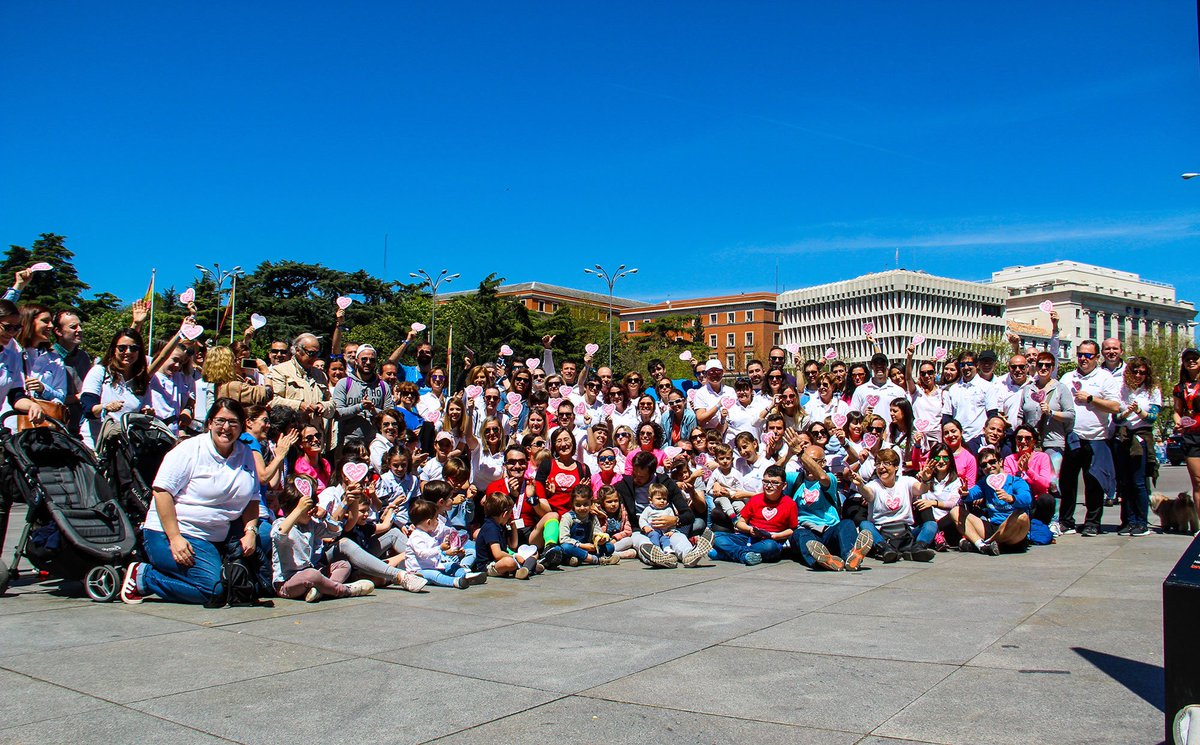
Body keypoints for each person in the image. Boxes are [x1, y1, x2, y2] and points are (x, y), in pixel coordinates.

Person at [121, 398, 261, 605]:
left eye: (233, 422)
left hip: (214, 537)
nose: (226, 428)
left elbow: (252, 499)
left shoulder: (245, 454)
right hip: (171, 533)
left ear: (242, 426)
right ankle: (144, 576)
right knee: (212, 591)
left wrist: (251, 531)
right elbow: (161, 492)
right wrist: (175, 538)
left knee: (241, 584)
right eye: (220, 421)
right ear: (210, 423)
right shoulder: (189, 450)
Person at [270, 476, 376, 601]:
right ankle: (344, 590)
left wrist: (325, 515)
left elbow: (335, 531)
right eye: (306, 509)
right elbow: (279, 534)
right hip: (287, 583)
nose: (309, 512)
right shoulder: (281, 523)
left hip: (311, 576)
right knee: (312, 574)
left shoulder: (310, 525)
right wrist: (299, 510)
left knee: (343, 565)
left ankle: (323, 590)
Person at [1059, 340, 1121, 536]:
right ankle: (1066, 521)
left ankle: (1093, 522)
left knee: (1093, 482)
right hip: (1072, 436)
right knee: (1067, 482)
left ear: (1096, 358)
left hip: (1096, 437)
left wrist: (1091, 399)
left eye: (1088, 356)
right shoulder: (1068, 377)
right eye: (1080, 355)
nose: (1083, 359)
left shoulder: (1105, 378)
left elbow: (1115, 407)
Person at [788, 445, 873, 572]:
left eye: (814, 461)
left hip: (829, 530)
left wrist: (801, 454)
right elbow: (772, 473)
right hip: (807, 531)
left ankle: (851, 557)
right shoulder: (794, 478)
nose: (809, 465)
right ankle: (822, 561)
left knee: (847, 524)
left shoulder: (830, 478)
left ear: (823, 463)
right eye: (807, 461)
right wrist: (788, 454)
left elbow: (822, 478)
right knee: (799, 534)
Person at [616, 451, 708, 568]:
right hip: (640, 529)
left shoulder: (666, 484)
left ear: (651, 473)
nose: (636, 479)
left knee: (679, 538)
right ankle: (657, 558)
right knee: (642, 542)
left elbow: (688, 515)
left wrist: (675, 520)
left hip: (667, 529)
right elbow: (605, 496)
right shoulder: (624, 485)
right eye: (634, 474)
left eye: (641, 477)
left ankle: (689, 555)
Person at [848, 449, 937, 562]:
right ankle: (885, 550)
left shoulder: (906, 481)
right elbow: (867, 493)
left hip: (905, 532)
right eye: (878, 464)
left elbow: (921, 489)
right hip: (882, 532)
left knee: (931, 525)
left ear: (896, 467)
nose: (881, 467)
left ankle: (917, 549)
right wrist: (860, 485)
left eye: (886, 463)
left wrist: (926, 479)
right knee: (865, 525)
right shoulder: (874, 485)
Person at [80, 327, 152, 449]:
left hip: (124, 448)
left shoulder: (140, 381)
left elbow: (141, 412)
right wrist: (106, 407)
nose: (128, 352)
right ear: (114, 349)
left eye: (134, 348)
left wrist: (147, 413)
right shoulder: (99, 372)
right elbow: (88, 408)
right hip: (95, 444)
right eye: (122, 348)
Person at [712, 464, 796, 566]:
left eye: (774, 483)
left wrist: (776, 536)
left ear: (784, 486)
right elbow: (741, 522)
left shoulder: (790, 503)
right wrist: (750, 529)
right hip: (749, 537)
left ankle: (726, 554)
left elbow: (792, 529)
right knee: (715, 537)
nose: (769, 486)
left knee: (770, 547)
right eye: (766, 482)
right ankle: (743, 555)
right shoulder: (756, 499)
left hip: (770, 541)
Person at [1113, 356, 1159, 536]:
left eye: (1142, 372)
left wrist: (1139, 411)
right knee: (1125, 482)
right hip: (1124, 435)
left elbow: (1153, 416)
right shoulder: (1122, 389)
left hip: (1141, 436)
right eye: (1135, 371)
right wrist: (1126, 412)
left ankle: (1142, 521)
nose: (1139, 375)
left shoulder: (1152, 390)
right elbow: (1116, 418)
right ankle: (1129, 520)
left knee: (1139, 481)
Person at [960, 447, 1032, 555]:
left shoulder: (1015, 481)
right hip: (993, 526)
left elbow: (1027, 498)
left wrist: (1011, 498)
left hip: (1013, 529)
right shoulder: (984, 483)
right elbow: (972, 493)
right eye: (984, 465)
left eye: (992, 462)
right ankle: (982, 545)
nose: (989, 467)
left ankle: (983, 545)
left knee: (1022, 516)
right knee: (956, 511)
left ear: (1000, 462)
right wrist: (965, 493)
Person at [405, 499, 487, 588]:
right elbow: (423, 554)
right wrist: (440, 548)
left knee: (451, 565)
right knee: (435, 575)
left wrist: (449, 545)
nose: (438, 522)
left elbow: (439, 547)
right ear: (428, 522)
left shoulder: (429, 533)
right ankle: (455, 581)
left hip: (434, 565)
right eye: (436, 519)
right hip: (419, 571)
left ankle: (466, 575)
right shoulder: (416, 536)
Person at [267, 333, 333, 426]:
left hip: (316, 434)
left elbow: (331, 403)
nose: (315, 357)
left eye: (317, 353)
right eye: (311, 353)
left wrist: (323, 406)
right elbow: (272, 401)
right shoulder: (280, 371)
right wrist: (299, 406)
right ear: (298, 350)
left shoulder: (320, 375)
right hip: (293, 432)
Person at [0, 299, 47, 429]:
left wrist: (32, 405)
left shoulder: (11, 357)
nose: (12, 333)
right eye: (8, 327)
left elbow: (16, 395)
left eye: (17, 328)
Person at [332, 344, 389, 450]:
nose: (368, 362)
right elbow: (337, 413)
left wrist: (373, 410)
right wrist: (359, 407)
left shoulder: (383, 386)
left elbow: (391, 416)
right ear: (356, 360)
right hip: (348, 444)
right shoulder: (344, 383)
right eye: (364, 359)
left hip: (376, 445)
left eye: (372, 360)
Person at [941, 350, 997, 442]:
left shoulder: (987, 387)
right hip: (957, 439)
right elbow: (947, 417)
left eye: (969, 364)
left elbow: (992, 415)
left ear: (977, 365)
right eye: (962, 365)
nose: (966, 367)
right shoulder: (952, 389)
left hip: (979, 438)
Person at [558, 487, 620, 566]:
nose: (582, 508)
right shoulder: (568, 517)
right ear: (572, 504)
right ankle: (596, 559)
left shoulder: (592, 517)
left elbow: (597, 532)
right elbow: (564, 539)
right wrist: (582, 546)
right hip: (575, 546)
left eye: (586, 504)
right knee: (565, 547)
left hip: (590, 547)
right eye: (578, 505)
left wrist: (600, 540)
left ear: (591, 503)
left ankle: (577, 559)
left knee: (610, 547)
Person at [1174, 348, 1200, 523]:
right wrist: (1178, 422)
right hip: (1192, 437)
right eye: (1187, 359)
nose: (1191, 361)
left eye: (1195, 358)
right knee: (1198, 482)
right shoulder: (1179, 387)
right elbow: (1177, 411)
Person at [850, 353, 906, 421]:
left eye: (882, 363)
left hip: (891, 431)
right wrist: (862, 414)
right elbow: (852, 415)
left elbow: (905, 414)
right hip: (869, 431)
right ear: (871, 367)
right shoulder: (860, 390)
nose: (879, 366)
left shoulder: (899, 391)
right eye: (876, 364)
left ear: (886, 366)